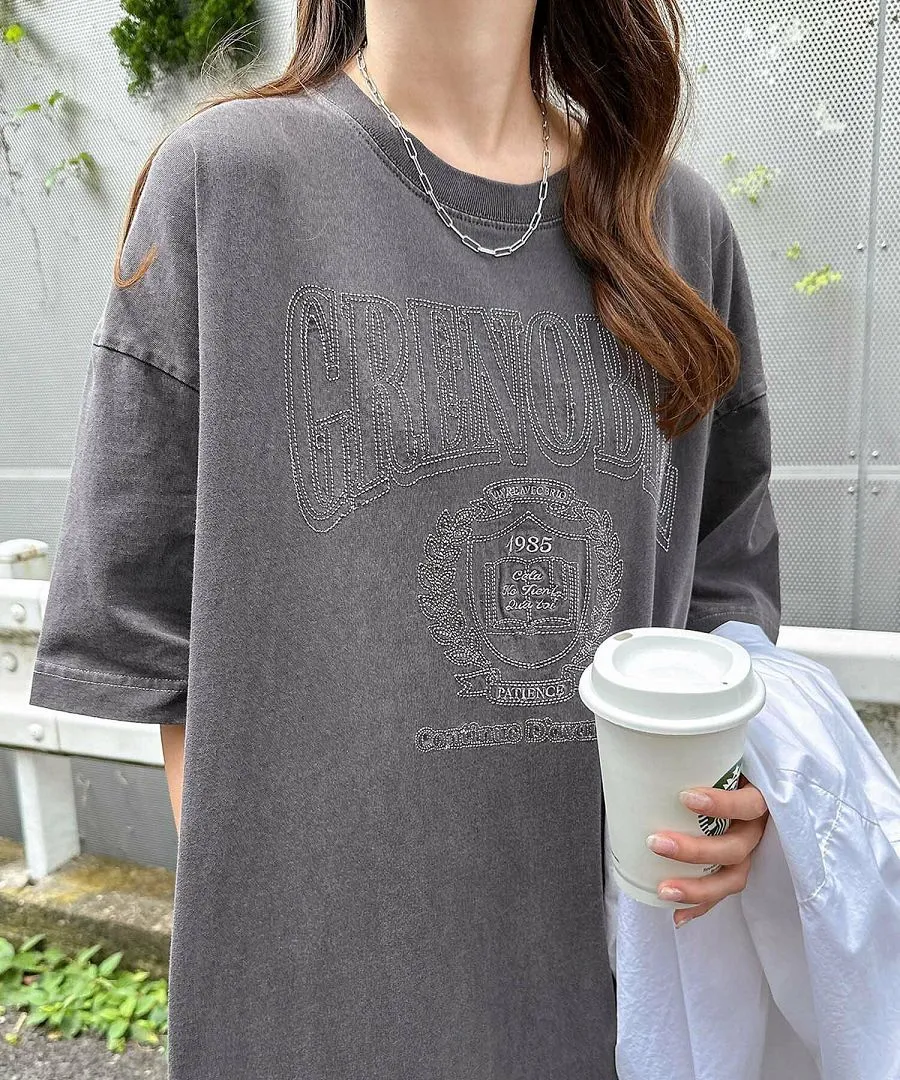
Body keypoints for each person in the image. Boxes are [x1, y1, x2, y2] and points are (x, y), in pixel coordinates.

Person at [27, 1, 780, 1077]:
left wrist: (741, 792)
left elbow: (727, 581)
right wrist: (282, 963)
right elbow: (148, 623)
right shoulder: (230, 184)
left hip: (618, 996)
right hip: (316, 1008)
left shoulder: (677, 227)